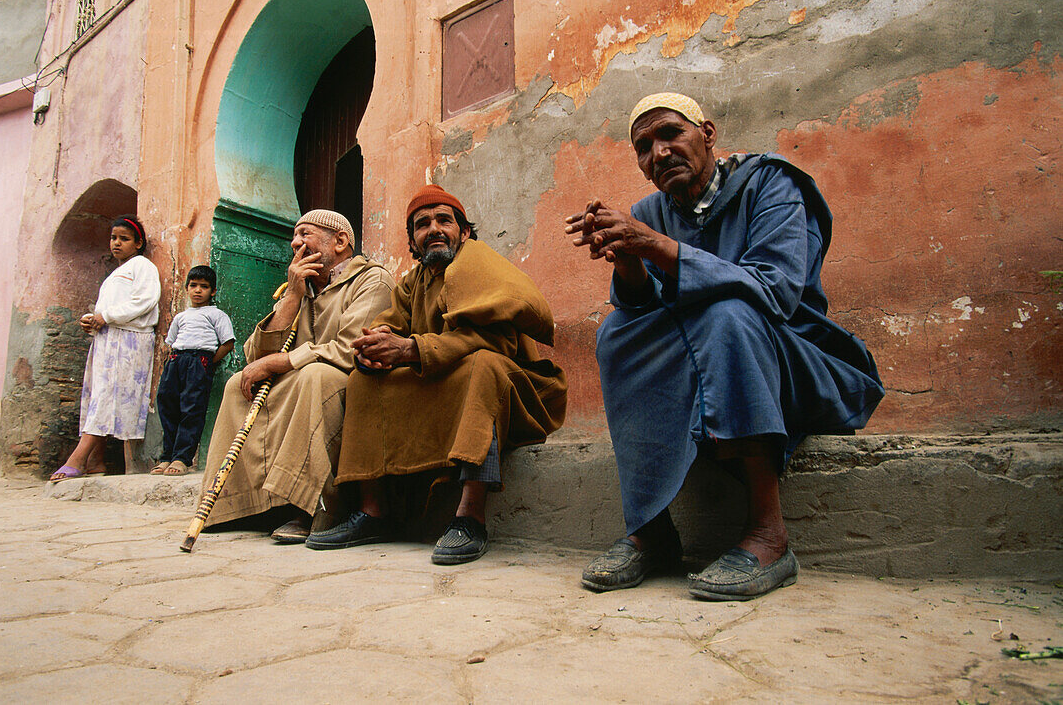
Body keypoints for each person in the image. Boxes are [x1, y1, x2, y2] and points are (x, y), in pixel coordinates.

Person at [566, 93, 884, 600]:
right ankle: (651, 530)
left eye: (672, 134)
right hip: (701, 358)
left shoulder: (771, 183)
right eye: (644, 147)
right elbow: (643, 311)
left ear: (707, 134)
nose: (660, 152)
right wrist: (626, 260)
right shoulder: (650, 212)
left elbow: (775, 290)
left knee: (728, 314)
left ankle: (768, 534)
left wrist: (652, 245)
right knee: (615, 333)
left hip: (794, 361)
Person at [306, 185, 567, 564]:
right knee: (362, 379)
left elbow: (495, 343)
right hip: (444, 382)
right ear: (413, 240)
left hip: (518, 390)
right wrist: (375, 347)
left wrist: (411, 350)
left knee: (483, 366)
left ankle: (470, 517)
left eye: (445, 220)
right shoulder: (415, 281)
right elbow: (389, 325)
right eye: (422, 224)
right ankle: (373, 511)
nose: (434, 229)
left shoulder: (478, 262)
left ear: (464, 231)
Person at [198, 209, 395, 543]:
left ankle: (309, 507)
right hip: (304, 376)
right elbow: (255, 357)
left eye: (306, 234)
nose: (295, 243)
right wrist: (291, 297)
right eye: (294, 236)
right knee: (237, 385)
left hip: (352, 381)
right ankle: (248, 504)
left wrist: (283, 362)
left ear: (341, 241)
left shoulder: (371, 280)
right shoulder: (298, 288)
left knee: (314, 376)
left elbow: (353, 349)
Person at [50, 215, 161, 482]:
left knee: (108, 395)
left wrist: (107, 317)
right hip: (107, 340)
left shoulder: (142, 266)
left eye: (124, 238)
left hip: (128, 341)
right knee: (97, 394)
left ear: (138, 243)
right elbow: (107, 309)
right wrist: (94, 320)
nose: (117, 243)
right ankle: (95, 460)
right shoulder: (114, 275)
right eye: (113, 238)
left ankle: (77, 459)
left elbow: (145, 301)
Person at [152, 265, 236, 476]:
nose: (198, 290)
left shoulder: (216, 315)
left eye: (204, 287)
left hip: (200, 361)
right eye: (194, 285)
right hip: (176, 360)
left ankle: (182, 458)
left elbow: (227, 344)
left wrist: (207, 364)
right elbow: (171, 342)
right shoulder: (181, 317)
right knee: (167, 404)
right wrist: (173, 362)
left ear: (213, 291)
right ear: (187, 288)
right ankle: (166, 457)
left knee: (192, 408)